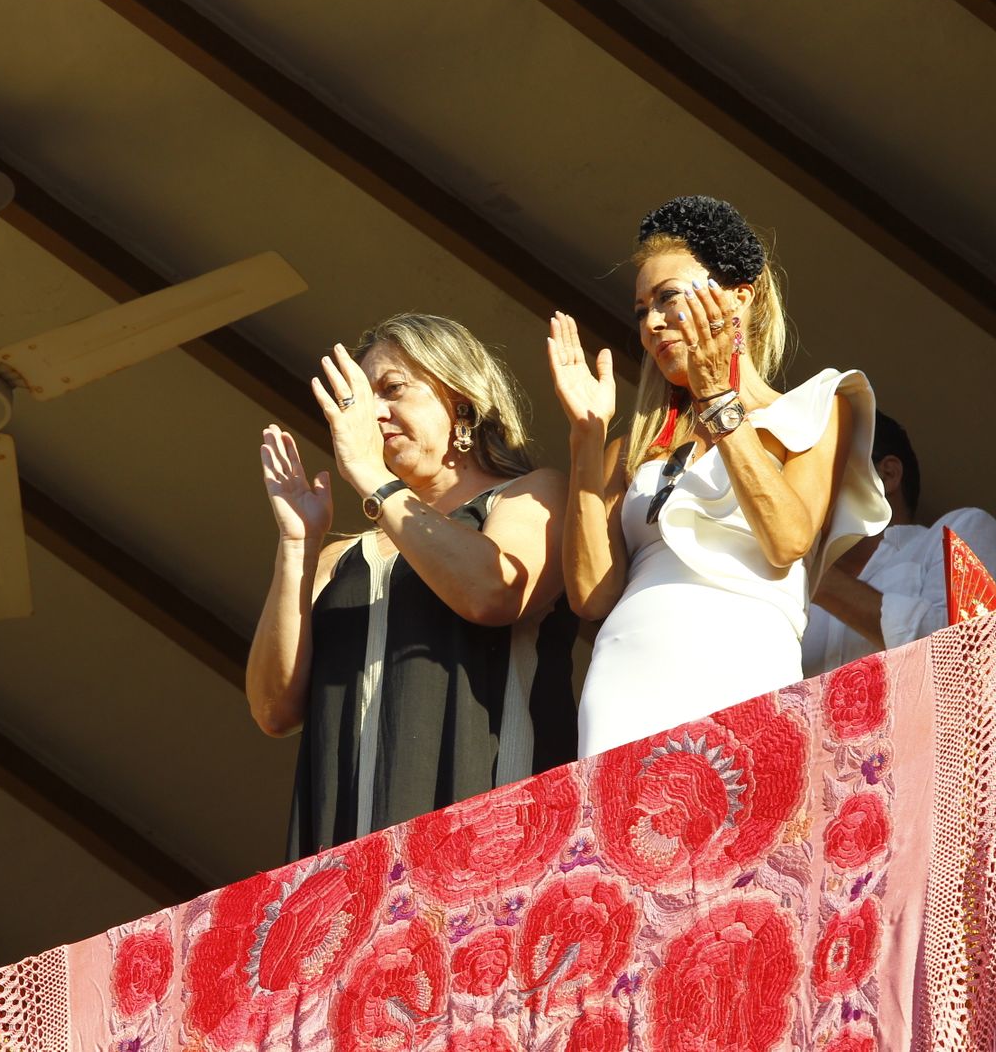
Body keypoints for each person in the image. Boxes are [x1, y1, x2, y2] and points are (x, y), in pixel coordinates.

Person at [548, 195, 890, 757]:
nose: (652, 323)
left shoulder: (817, 408)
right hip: (624, 678)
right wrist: (586, 437)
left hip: (742, 664)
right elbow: (591, 596)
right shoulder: (628, 450)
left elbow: (787, 540)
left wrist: (717, 400)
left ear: (739, 297)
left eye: (667, 298)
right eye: (641, 311)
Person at [247, 313, 577, 859]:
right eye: (360, 400)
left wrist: (372, 478)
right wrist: (296, 544)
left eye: (393, 389)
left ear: (461, 399)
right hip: (346, 857)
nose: (373, 413)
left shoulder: (530, 495)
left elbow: (494, 593)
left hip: (490, 834)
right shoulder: (339, 559)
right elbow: (273, 710)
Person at [802, 411, 996, 677]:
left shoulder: (958, 530)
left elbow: (973, 656)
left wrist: (820, 579)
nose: (804, 488)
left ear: (888, 475)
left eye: (820, 468)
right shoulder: (795, 598)